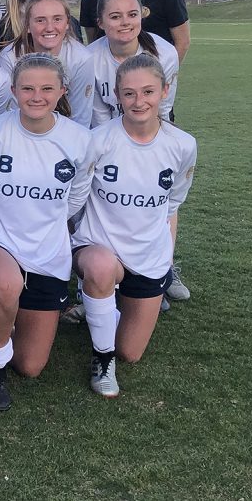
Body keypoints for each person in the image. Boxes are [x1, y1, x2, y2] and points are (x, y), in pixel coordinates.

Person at [0, 53, 93, 411]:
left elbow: (75, 198)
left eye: (47, 88)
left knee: (30, 366)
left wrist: (43, 223)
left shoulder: (80, 139)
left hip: (47, 252)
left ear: (62, 91)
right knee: (6, 284)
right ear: (13, 90)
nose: (37, 96)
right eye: (28, 88)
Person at [71, 53, 197, 397]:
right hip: (99, 247)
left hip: (148, 257)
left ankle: (102, 309)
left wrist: (166, 258)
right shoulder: (98, 139)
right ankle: (102, 358)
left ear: (164, 91)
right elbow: (76, 199)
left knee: (132, 352)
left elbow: (173, 202)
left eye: (148, 92)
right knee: (98, 267)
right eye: (128, 93)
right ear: (116, 94)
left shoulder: (183, 145)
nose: (138, 101)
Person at [0, 0, 95, 127]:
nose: (49, 28)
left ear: (67, 23)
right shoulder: (10, 57)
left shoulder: (82, 59)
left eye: (57, 19)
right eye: (40, 20)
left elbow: (80, 118)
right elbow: (10, 115)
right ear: (28, 25)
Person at [89, 0, 178, 127]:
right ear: (100, 23)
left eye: (132, 15)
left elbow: (163, 110)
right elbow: (100, 120)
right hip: (109, 136)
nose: (125, 22)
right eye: (115, 17)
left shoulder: (165, 53)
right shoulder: (89, 59)